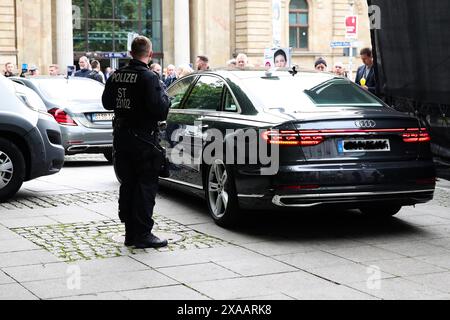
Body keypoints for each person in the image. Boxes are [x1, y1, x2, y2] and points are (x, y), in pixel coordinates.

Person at [102, 36, 170, 249]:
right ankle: (142, 233)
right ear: (149, 54)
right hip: (143, 139)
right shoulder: (149, 77)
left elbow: (107, 103)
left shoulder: (116, 75)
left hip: (122, 138)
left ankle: (130, 233)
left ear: (131, 53)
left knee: (128, 184)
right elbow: (160, 109)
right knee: (145, 185)